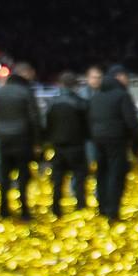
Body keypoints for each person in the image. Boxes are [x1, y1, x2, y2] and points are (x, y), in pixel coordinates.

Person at [88, 64, 138, 221]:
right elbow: (131, 122)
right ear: (119, 77)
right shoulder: (122, 95)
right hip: (117, 140)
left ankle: (102, 208)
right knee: (116, 175)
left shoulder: (96, 96)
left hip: (98, 139)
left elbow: (90, 119)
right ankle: (113, 211)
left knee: (102, 174)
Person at [0, 62, 41, 221]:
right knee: (23, 175)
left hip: (4, 139)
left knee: (4, 175)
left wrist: (0, 133)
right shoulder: (26, 92)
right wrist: (37, 142)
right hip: (22, 139)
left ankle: (4, 209)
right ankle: (24, 209)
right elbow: (34, 118)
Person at [46, 71, 90, 215]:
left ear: (60, 84)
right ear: (75, 85)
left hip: (58, 146)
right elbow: (87, 125)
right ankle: (81, 206)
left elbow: (47, 124)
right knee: (79, 178)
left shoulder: (53, 103)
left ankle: (56, 208)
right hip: (77, 145)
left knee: (58, 179)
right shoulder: (81, 103)